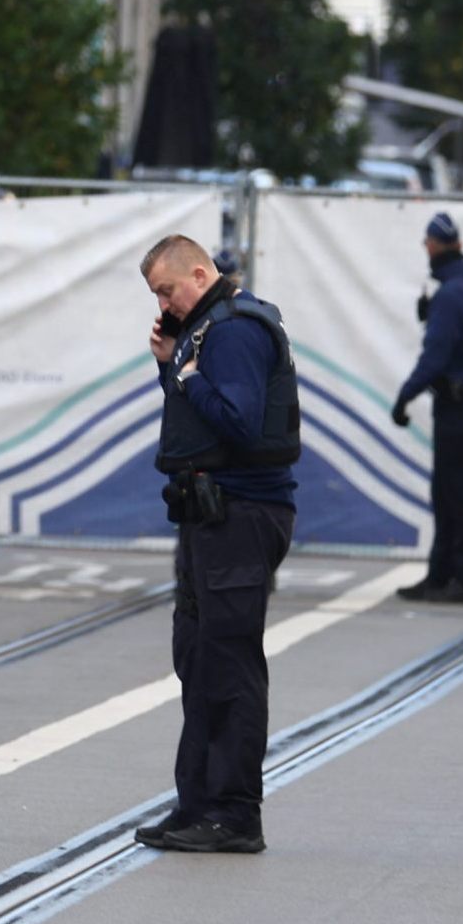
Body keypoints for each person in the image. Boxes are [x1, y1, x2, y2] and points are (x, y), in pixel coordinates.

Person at [135, 234, 298, 856]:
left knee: (228, 663)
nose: (164, 304)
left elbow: (241, 422)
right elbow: (200, 419)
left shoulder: (232, 331)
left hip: (240, 514)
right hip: (208, 514)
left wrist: (189, 374)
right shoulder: (205, 332)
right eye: (157, 295)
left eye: (167, 290)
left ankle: (234, 813)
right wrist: (170, 364)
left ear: (200, 275)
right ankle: (198, 804)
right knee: (198, 659)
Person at [392, 212, 463, 605]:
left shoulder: (451, 295)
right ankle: (442, 574)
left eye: (427, 244)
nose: (426, 250)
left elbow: (435, 358)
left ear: (435, 246)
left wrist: (405, 396)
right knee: (448, 490)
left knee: (454, 492)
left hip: (455, 401)